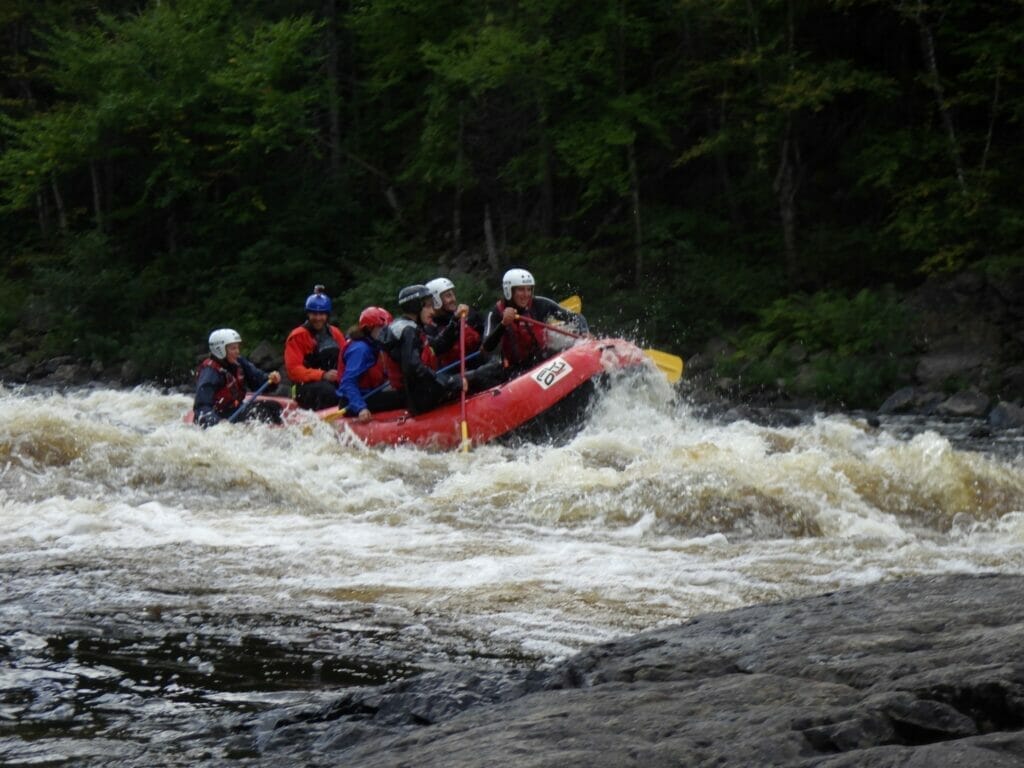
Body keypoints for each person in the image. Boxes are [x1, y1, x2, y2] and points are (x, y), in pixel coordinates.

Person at [481, 268, 589, 378]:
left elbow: (576, 317)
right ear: (509, 291)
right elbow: (486, 348)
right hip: (516, 369)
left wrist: (585, 332)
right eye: (521, 290)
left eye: (529, 289)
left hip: (543, 357)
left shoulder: (540, 304)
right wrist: (503, 324)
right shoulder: (495, 313)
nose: (526, 294)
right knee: (489, 373)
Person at [378, 284, 468, 415]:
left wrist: (455, 321)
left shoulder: (413, 328)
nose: (432, 311)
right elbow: (413, 367)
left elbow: (439, 345)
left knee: (472, 376)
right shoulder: (408, 331)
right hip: (420, 398)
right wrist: (448, 382)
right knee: (479, 377)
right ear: (416, 307)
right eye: (428, 306)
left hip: (421, 392)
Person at [193, 328, 282, 428]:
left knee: (273, 407)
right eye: (233, 348)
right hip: (220, 415)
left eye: (237, 348)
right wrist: (217, 424)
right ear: (220, 349)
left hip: (236, 408)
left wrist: (271, 379)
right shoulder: (210, 373)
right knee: (258, 413)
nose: (237, 351)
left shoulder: (238, 362)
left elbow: (258, 381)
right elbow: (202, 406)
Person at [335, 306, 404, 422]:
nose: (385, 332)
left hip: (369, 393)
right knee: (405, 397)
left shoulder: (376, 344)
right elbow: (348, 382)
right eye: (381, 328)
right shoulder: (360, 349)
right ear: (369, 329)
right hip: (353, 401)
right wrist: (360, 408)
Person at [284, 285, 348, 410]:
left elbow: (345, 358)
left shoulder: (335, 333)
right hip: (304, 387)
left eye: (321, 314)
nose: (318, 318)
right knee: (328, 391)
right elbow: (294, 371)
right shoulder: (297, 336)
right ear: (308, 314)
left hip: (332, 381)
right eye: (314, 314)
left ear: (327, 315)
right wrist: (323, 375)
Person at [424, 276, 485, 368]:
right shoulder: (429, 329)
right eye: (448, 296)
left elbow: (486, 337)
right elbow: (439, 347)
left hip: (481, 366)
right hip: (453, 375)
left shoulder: (468, 314)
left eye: (453, 295)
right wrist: (456, 320)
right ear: (436, 300)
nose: (453, 299)